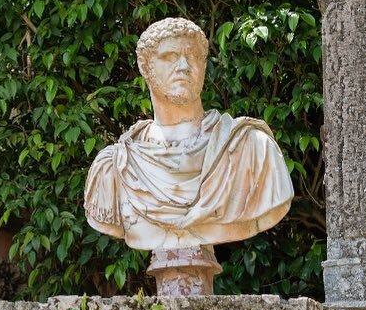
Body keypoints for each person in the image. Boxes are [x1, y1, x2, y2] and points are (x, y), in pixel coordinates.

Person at [84, 16, 294, 251]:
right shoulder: (114, 167)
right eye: (170, 57)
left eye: (193, 57)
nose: (184, 66)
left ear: (204, 66)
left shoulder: (252, 148)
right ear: (145, 67)